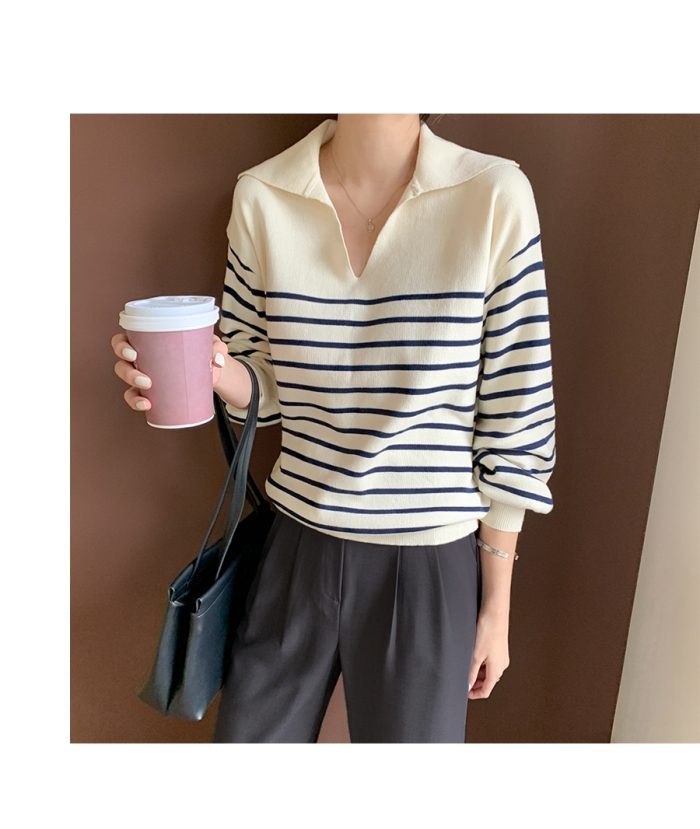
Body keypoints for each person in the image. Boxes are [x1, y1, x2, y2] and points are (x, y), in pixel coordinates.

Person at [111, 114, 556, 743]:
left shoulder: (492, 194)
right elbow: (264, 387)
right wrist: (202, 369)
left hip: (429, 562)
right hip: (296, 543)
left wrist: (496, 607)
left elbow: (518, 412)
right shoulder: (263, 195)